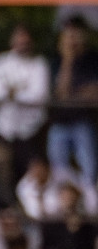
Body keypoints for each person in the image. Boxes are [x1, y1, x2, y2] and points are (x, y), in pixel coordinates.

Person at [0, 25, 51, 186]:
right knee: (0, 171)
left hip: (31, 132)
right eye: (19, 39)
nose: (22, 43)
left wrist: (11, 92)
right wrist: (20, 90)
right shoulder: (2, 62)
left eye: (25, 40)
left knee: (32, 176)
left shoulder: (39, 64)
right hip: (4, 130)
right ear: (12, 41)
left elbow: (39, 95)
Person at [48, 16, 98, 186]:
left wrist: (72, 94)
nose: (72, 38)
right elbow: (61, 93)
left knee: (88, 167)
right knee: (59, 170)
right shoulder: (57, 61)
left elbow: (94, 93)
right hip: (60, 122)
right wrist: (68, 60)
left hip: (84, 121)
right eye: (68, 34)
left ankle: (91, 204)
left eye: (76, 34)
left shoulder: (93, 59)